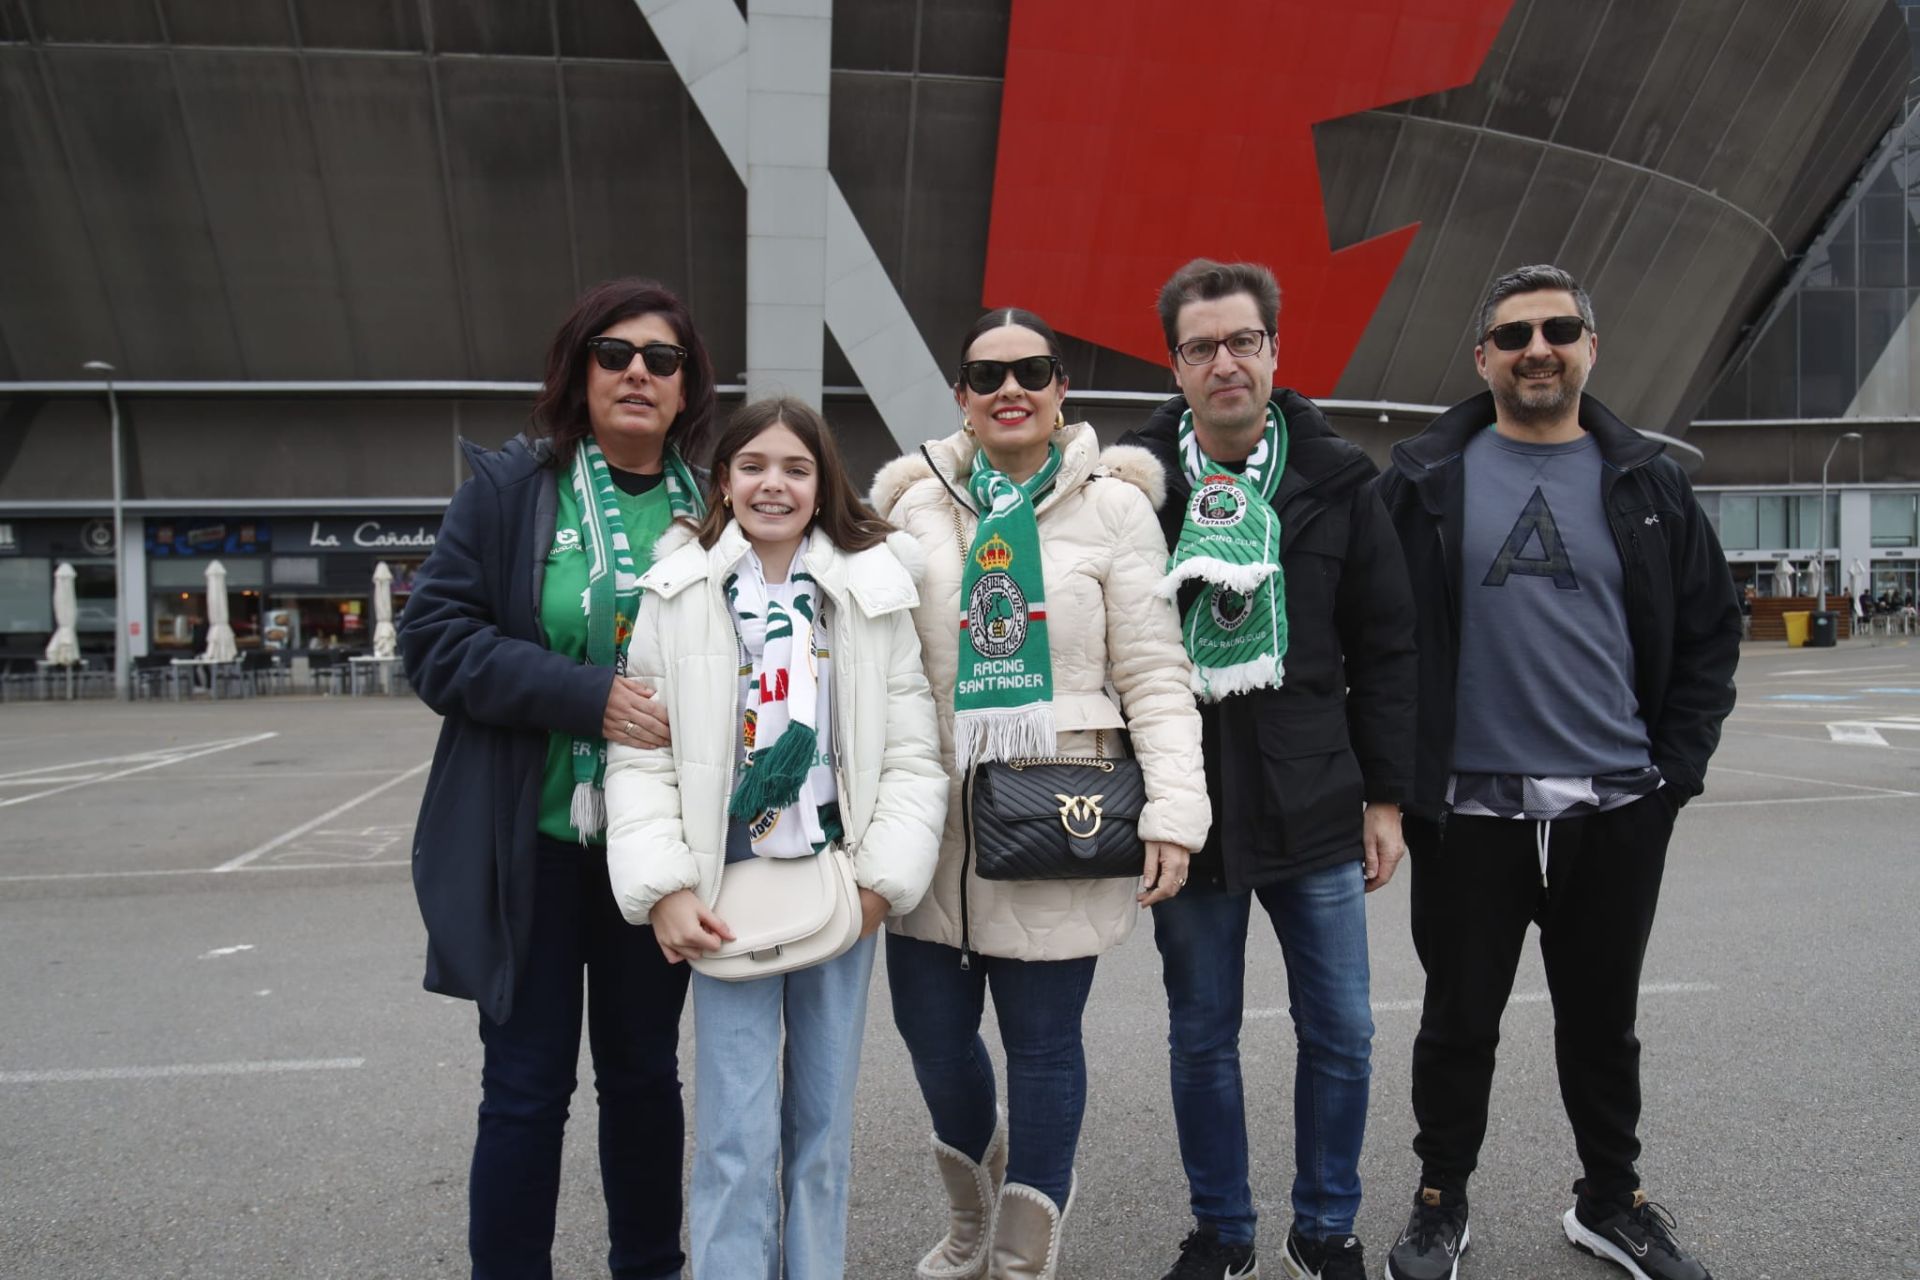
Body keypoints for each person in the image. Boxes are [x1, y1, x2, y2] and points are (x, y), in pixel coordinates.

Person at [1373, 264, 1741, 1280]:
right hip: (1467, 812)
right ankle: (1441, 1200)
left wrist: (1673, 774)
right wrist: (1393, 786)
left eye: (1560, 329)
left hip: (1616, 807)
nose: (1540, 347)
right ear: (1483, 355)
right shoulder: (1421, 480)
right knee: (1457, 1023)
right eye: (1516, 333)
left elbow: (1710, 633)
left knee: (1602, 1022)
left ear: (1590, 347)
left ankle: (1610, 1201)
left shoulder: (1650, 481)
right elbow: (1376, 635)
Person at [869, 307, 1211, 1280]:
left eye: (1034, 370)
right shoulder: (911, 504)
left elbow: (1153, 667)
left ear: (1062, 389)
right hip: (930, 820)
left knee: (1045, 1046)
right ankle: (973, 1214)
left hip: (1062, 812)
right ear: (961, 397)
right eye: (988, 374)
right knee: (935, 1041)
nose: (1010, 388)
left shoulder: (1113, 505)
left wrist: (1175, 813)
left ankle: (1023, 1248)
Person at [401, 277, 716, 1280]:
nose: (636, 372)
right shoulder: (508, 492)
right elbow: (436, 644)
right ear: (577, 374)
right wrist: (583, 694)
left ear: (685, 387)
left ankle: (650, 1265)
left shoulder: (716, 507)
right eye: (613, 353)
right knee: (527, 1085)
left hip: (655, 852)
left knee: (642, 1079)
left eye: (660, 359)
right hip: (530, 843)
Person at [602, 395, 947, 1279]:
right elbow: (643, 759)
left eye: (797, 468)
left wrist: (883, 887)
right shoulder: (676, 592)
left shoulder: (871, 591)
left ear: (823, 482)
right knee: (731, 1134)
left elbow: (913, 753)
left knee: (823, 1131)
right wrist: (664, 888)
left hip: (839, 885)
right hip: (723, 892)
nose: (774, 484)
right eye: (754, 465)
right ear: (724, 480)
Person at [1117, 259, 1416, 1280]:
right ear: (1177, 366)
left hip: (1318, 797)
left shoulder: (1338, 480)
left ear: (1276, 353)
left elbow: (1386, 647)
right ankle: (1224, 1230)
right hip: (1187, 804)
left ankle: (1325, 1226)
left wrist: (1387, 794)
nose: (1225, 362)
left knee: (1341, 1029)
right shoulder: (1132, 492)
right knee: (1202, 1034)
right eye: (1202, 347)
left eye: (1244, 341)